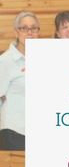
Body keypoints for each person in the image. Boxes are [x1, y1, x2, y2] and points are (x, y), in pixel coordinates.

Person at [0, 11, 40, 150]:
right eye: (24, 28)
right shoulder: (5, 61)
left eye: (33, 28)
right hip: (14, 133)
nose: (29, 32)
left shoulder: (42, 59)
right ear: (16, 32)